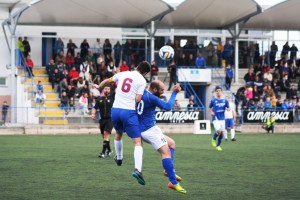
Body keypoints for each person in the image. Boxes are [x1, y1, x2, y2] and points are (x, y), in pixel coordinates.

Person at [98, 61, 150, 185]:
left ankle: (119, 157)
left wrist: (99, 87)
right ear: (145, 72)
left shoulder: (123, 73)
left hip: (115, 110)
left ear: (136, 66)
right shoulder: (142, 80)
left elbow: (106, 81)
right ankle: (138, 170)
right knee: (137, 141)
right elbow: (137, 98)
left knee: (118, 133)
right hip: (128, 111)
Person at [137, 80, 186, 194]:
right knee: (166, 153)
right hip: (150, 130)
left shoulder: (142, 93)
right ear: (154, 89)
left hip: (144, 129)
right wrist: (174, 93)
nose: (163, 92)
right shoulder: (152, 98)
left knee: (172, 143)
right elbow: (168, 106)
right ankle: (173, 182)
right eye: (161, 90)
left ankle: (168, 171)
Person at [91, 86, 115, 158]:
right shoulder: (99, 99)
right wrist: (93, 114)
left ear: (110, 90)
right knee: (104, 137)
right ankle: (109, 149)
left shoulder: (113, 98)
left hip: (110, 119)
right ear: (103, 90)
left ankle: (103, 153)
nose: (107, 90)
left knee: (106, 133)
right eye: (105, 89)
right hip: (102, 120)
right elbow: (95, 108)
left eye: (108, 89)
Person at [210, 86, 230, 151]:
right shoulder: (213, 100)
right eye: (217, 91)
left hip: (222, 119)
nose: (218, 92)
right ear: (216, 92)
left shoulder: (225, 101)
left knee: (222, 133)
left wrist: (228, 109)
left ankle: (218, 146)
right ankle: (213, 138)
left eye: (219, 91)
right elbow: (210, 107)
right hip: (215, 118)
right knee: (219, 131)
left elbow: (228, 107)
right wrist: (211, 112)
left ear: (222, 92)